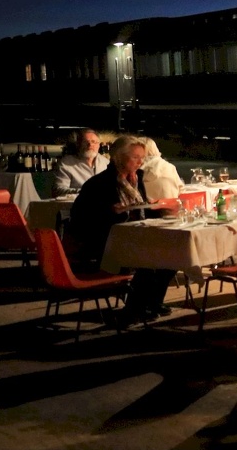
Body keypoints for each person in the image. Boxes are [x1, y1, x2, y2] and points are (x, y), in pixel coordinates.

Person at [69, 137, 177, 323]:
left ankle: (153, 302)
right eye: (135, 157)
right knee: (147, 258)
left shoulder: (137, 178)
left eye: (142, 157)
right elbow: (81, 219)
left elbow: (140, 209)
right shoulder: (99, 184)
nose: (140, 162)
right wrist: (112, 212)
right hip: (103, 241)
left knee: (174, 253)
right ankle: (133, 309)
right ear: (119, 157)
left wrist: (160, 210)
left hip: (135, 236)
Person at [52, 129, 108, 195]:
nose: (90, 145)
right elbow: (58, 190)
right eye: (85, 142)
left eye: (93, 142)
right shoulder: (66, 164)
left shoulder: (106, 162)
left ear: (99, 145)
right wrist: (83, 192)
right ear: (78, 144)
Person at [138, 138, 182, 202]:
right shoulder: (169, 166)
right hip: (172, 205)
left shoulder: (137, 168)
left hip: (149, 206)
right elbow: (181, 190)